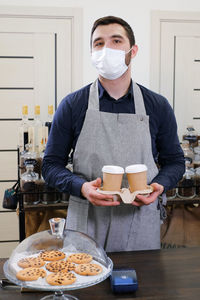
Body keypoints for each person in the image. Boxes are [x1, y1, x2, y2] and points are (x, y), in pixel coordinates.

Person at [42, 16, 185, 252]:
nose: (106, 48)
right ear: (92, 53)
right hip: (87, 221)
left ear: (133, 50)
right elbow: (50, 165)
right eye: (99, 43)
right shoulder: (72, 105)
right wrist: (82, 187)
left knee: (142, 287)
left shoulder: (157, 106)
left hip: (140, 221)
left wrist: (159, 185)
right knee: (86, 286)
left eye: (116, 41)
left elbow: (175, 162)